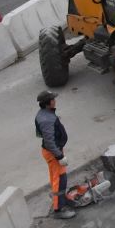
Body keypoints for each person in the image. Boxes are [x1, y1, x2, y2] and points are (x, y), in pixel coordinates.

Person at [36, 91, 74, 219]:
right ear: (48, 103)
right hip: (53, 153)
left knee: (56, 178)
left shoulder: (45, 114)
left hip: (54, 151)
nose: (55, 100)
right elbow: (49, 142)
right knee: (60, 180)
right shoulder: (46, 119)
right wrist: (59, 156)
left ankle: (61, 200)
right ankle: (59, 209)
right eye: (52, 99)